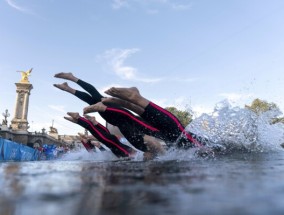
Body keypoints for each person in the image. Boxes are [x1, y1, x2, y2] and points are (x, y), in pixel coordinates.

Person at [54, 73, 168, 153]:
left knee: (95, 99)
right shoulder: (154, 134)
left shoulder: (146, 143)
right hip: (121, 117)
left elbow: (152, 144)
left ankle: (69, 85)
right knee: (97, 98)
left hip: (119, 120)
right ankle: (71, 82)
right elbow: (154, 142)